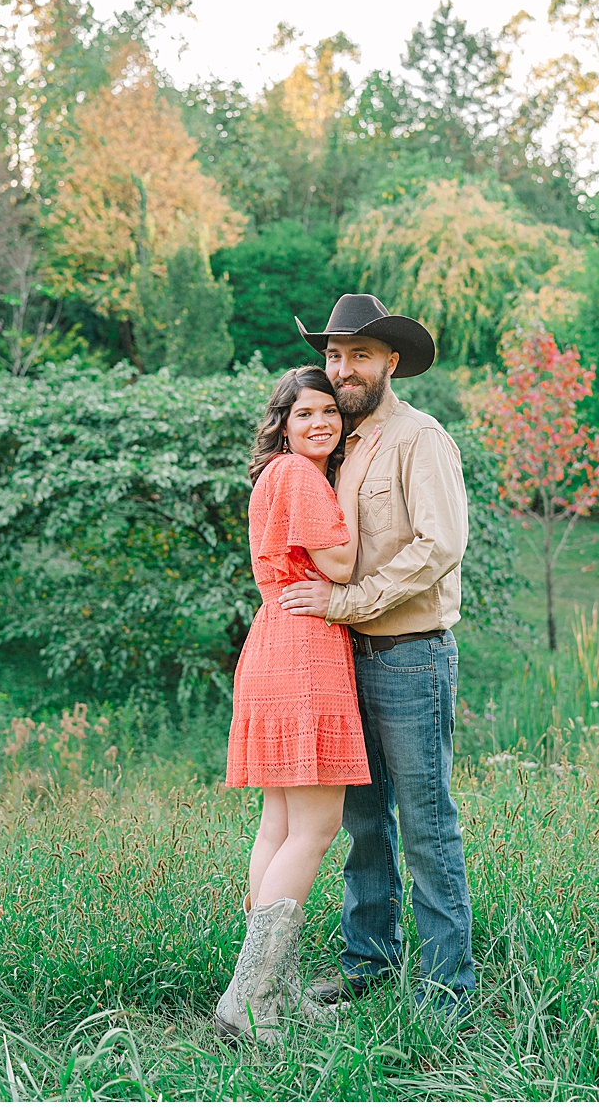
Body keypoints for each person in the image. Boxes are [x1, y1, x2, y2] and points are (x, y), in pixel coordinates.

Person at [278, 293, 476, 1016]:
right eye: (334, 354)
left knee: (426, 823)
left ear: (390, 360)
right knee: (362, 821)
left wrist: (347, 604)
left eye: (359, 353)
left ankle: (447, 987)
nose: (343, 367)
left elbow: (439, 546)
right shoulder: (334, 445)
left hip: (410, 656)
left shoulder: (421, 439)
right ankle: (369, 960)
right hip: (340, 658)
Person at [215, 366, 385, 1042]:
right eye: (303, 413)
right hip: (306, 648)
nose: (320, 422)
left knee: (279, 827)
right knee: (315, 828)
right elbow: (340, 566)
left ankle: (273, 985)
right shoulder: (303, 476)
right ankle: (249, 999)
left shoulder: (274, 476)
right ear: (282, 423)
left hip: (272, 641)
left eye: (328, 412)